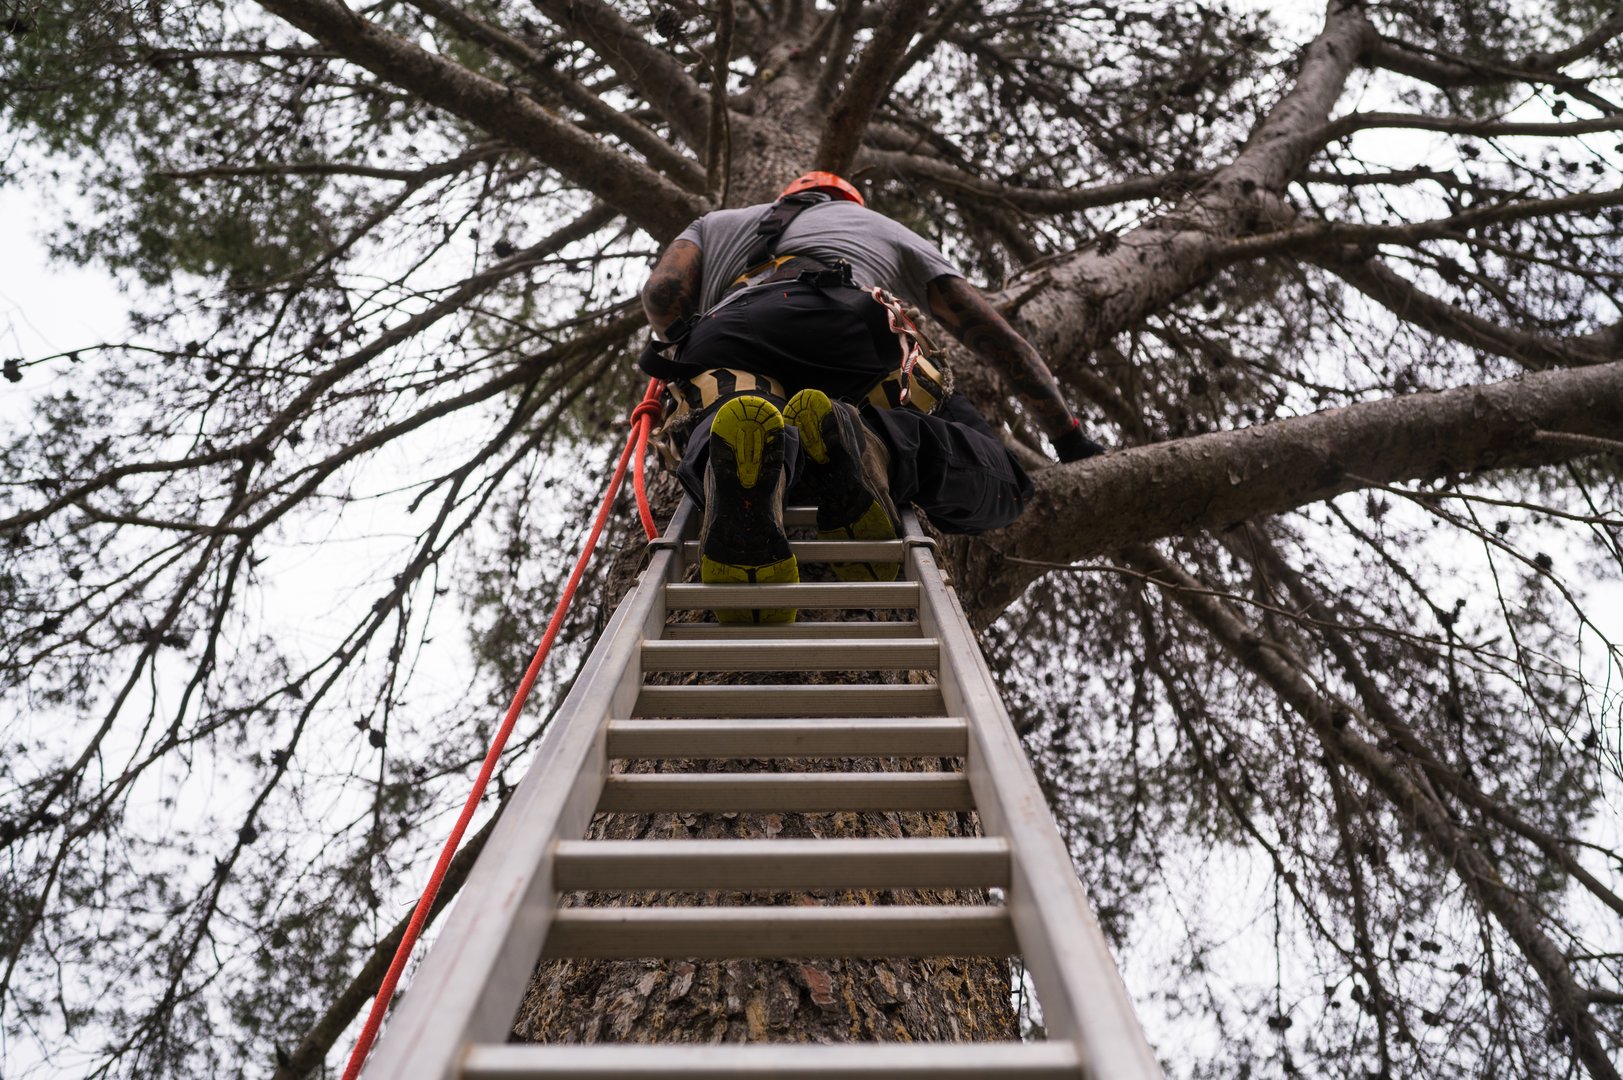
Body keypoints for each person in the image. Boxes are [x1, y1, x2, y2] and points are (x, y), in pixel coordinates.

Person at [639, 170, 1103, 622]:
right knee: (1005, 485)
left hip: (729, 329)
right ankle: (870, 441)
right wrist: (1069, 438)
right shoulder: (880, 226)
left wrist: (688, 343)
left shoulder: (715, 222)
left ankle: (740, 474)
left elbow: (662, 293)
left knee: (728, 404)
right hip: (844, 324)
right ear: (847, 202)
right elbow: (999, 340)